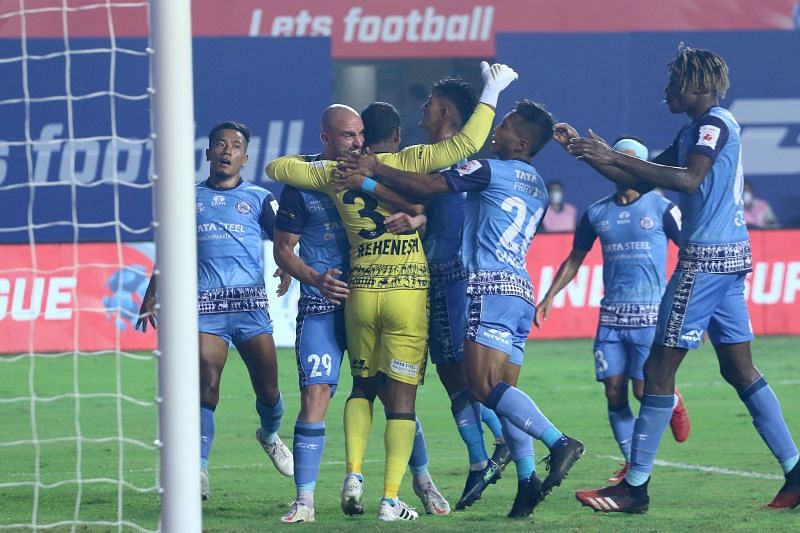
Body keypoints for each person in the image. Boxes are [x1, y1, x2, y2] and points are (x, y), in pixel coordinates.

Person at [265, 60, 518, 522]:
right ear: (394, 137)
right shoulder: (406, 163)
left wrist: (329, 165)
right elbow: (466, 143)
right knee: (401, 401)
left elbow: (276, 165)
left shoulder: (329, 175)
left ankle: (354, 474)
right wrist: (492, 92)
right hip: (407, 291)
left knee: (361, 387)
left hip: (361, 291)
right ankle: (390, 498)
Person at [564, 45, 799, 512]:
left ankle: (635, 488)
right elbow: (640, 178)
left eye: (673, 82)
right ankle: (796, 470)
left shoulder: (712, 124)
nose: (666, 90)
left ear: (696, 85)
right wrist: (584, 152)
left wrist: (613, 154)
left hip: (706, 258)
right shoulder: (696, 129)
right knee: (737, 368)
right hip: (730, 256)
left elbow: (688, 181)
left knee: (657, 369)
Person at [336, 99, 585, 519]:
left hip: (486, 286)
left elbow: (431, 188)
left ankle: (559, 442)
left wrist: (373, 171)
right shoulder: (538, 184)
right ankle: (527, 481)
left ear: (521, 141)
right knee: (506, 394)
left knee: (482, 387)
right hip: (520, 288)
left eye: (505, 125)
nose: (496, 129)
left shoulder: (488, 169)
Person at [136, 121, 294, 501]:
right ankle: (199, 469)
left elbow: (283, 240)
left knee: (268, 389)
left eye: (235, 145)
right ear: (207, 153)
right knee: (206, 384)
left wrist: (286, 266)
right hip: (206, 308)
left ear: (245, 156)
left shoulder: (259, 198)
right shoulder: (187, 199)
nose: (226, 151)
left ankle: (270, 435)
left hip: (250, 307)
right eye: (219, 145)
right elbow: (172, 248)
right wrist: (151, 292)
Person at [536, 134, 690, 485]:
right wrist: (549, 296)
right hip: (611, 319)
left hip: (650, 317)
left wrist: (689, 298)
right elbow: (575, 258)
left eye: (621, 160)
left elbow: (688, 251)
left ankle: (674, 399)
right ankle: (630, 461)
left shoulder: (662, 209)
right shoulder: (596, 213)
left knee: (642, 391)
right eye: (612, 160)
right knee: (614, 392)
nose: (613, 165)